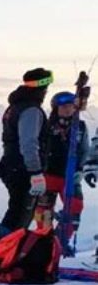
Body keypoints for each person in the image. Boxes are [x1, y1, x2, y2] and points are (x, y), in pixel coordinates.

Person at [0, 68, 54, 231]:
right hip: (24, 172)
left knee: (16, 212)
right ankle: (2, 252)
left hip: (11, 167)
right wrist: (36, 173)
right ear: (41, 88)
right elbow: (29, 143)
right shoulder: (31, 110)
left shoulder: (14, 107)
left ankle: (2, 250)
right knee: (20, 218)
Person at [34, 92, 90, 242]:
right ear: (56, 108)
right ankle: (43, 244)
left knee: (75, 207)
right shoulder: (46, 126)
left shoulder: (80, 126)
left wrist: (80, 169)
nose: (68, 109)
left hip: (71, 176)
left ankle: (60, 242)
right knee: (43, 213)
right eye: (64, 106)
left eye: (71, 106)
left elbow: (85, 149)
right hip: (49, 174)